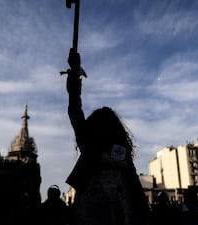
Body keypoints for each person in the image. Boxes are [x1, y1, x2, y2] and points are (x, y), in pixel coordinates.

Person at [64, 48, 150, 225]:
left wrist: (74, 74)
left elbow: (75, 110)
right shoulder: (122, 157)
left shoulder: (88, 145)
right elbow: (137, 192)